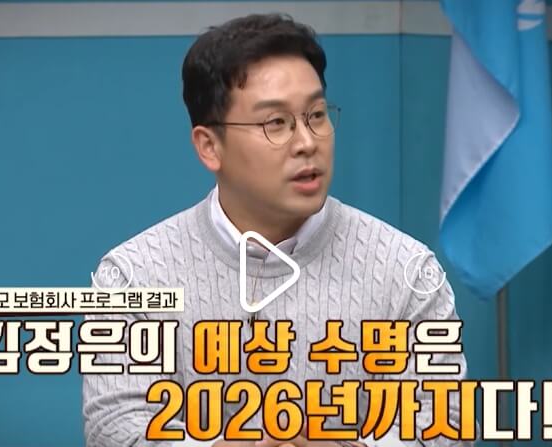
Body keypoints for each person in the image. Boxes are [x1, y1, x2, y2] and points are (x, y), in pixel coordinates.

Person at [84, 13, 471, 447]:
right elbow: (114, 428)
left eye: (316, 115)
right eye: (275, 123)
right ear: (209, 146)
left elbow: (446, 424)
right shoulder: (132, 277)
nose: (307, 142)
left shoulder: (408, 272)